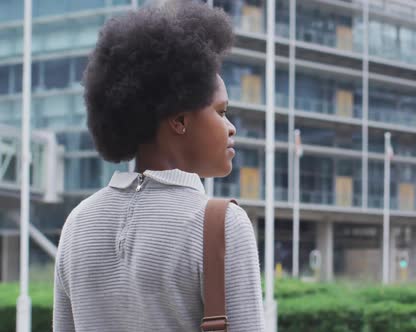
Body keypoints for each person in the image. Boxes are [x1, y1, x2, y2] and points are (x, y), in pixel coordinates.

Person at [52, 1, 265, 330]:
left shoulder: (78, 224)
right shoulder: (222, 226)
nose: (231, 127)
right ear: (179, 120)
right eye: (221, 112)